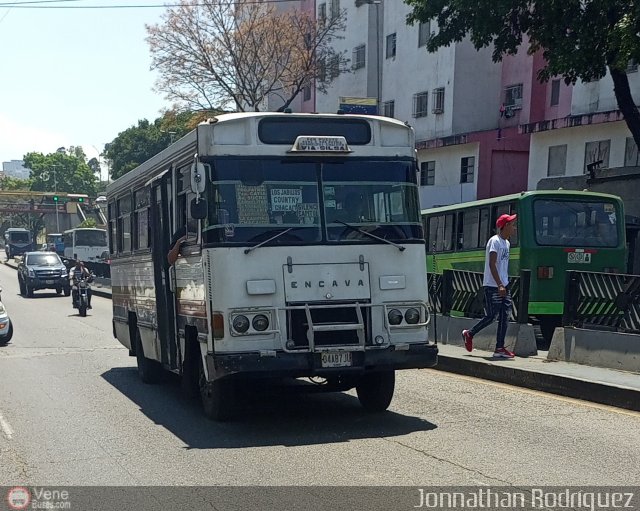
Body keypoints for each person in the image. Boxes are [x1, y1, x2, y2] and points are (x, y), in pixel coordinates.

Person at [462, 213, 517, 358]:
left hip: (504, 284)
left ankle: (499, 347)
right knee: (492, 315)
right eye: (512, 225)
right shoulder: (495, 241)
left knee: (505, 315)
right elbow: (492, 264)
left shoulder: (507, 243)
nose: (514, 228)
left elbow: (503, 266)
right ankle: (469, 333)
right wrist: (499, 284)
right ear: (505, 226)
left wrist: (505, 283)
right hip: (493, 285)